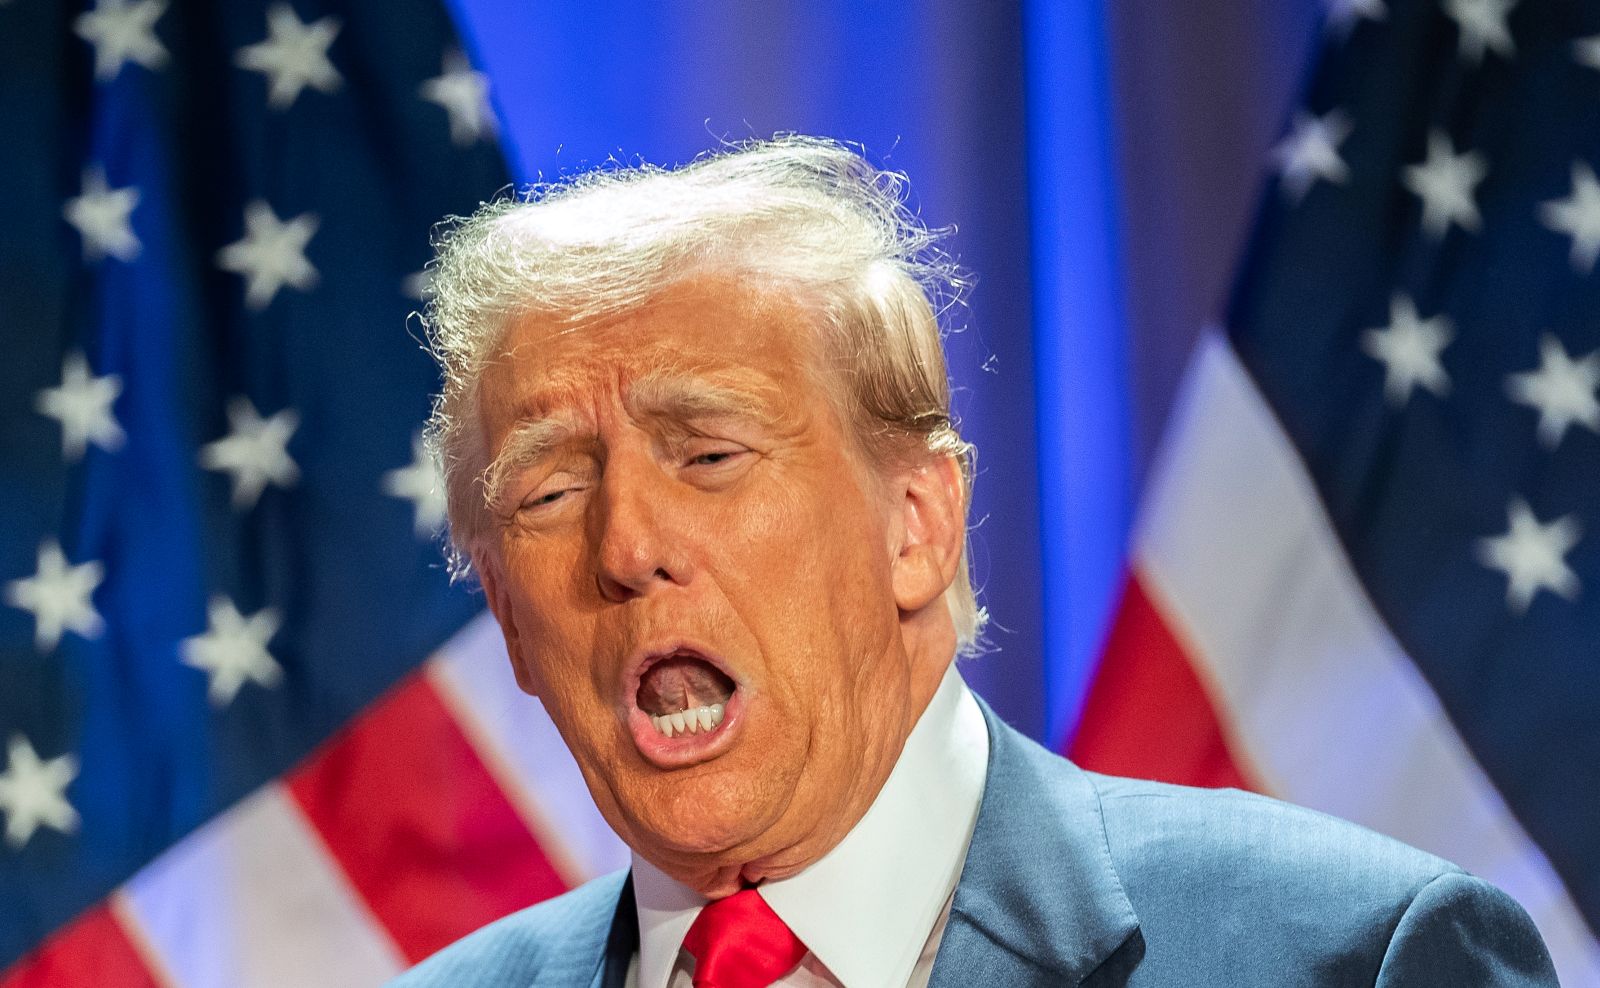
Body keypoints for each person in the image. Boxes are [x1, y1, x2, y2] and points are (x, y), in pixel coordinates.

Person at [391, 137, 1557, 987]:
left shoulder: (1351, 955)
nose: (627, 546)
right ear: (502, 608)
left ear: (917, 526)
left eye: (708, 453)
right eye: (550, 489)